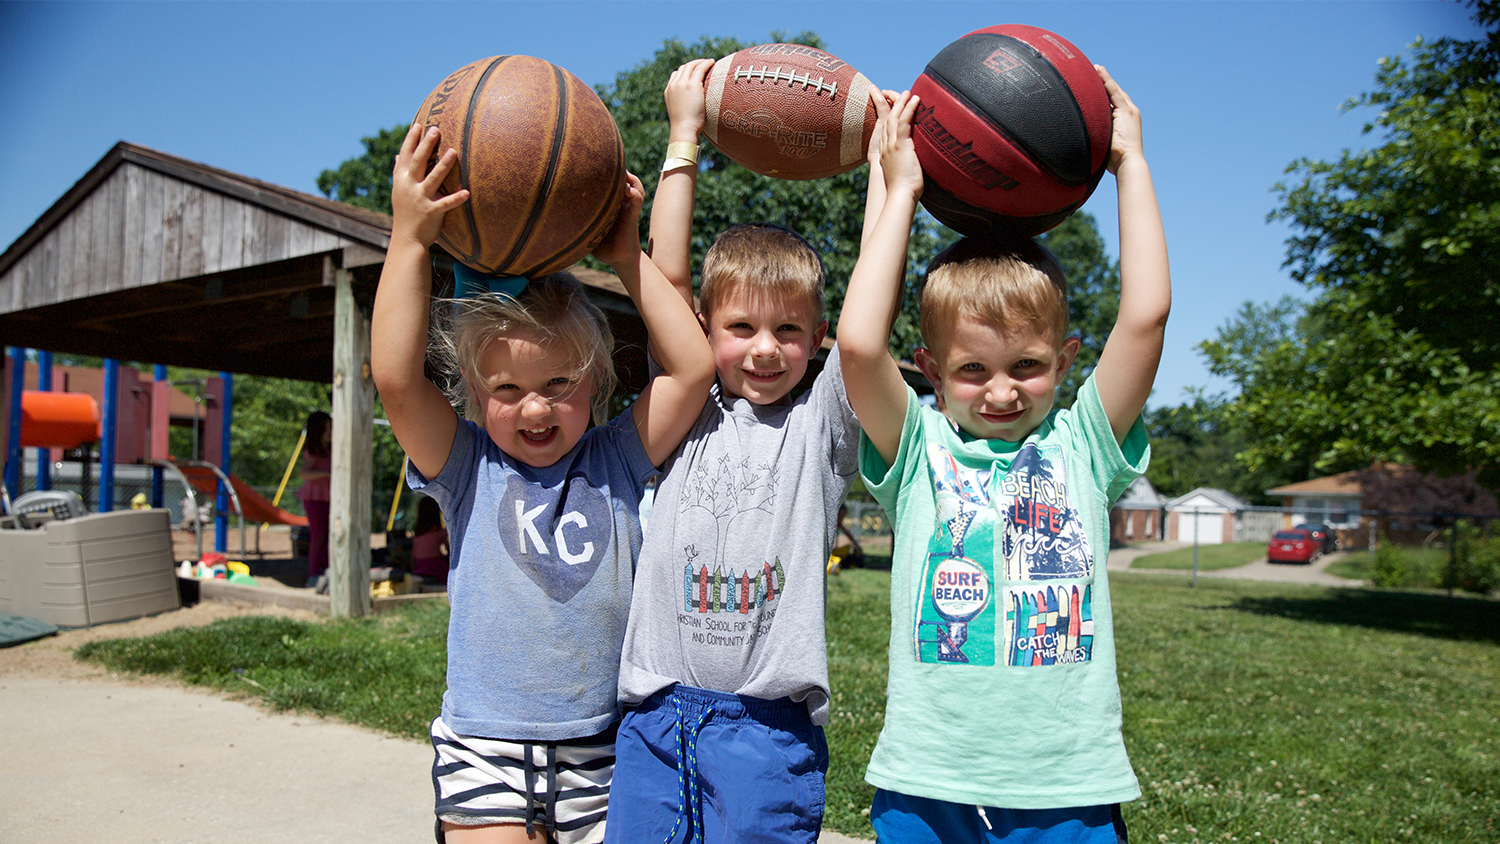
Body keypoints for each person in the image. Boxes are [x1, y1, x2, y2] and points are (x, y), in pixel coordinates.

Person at [838, 69, 1170, 843]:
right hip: (927, 782)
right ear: (929, 368)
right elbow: (858, 343)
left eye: (1027, 366)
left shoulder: (1084, 443)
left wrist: (1133, 166)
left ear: (1067, 360)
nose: (1000, 392)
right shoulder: (916, 447)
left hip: (1065, 783)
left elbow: (1146, 317)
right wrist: (900, 196)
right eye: (971, 370)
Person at [370, 122, 713, 844]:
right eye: (508, 387)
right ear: (469, 385)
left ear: (597, 380)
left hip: (602, 751)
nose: (534, 406)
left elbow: (692, 369)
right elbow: (397, 382)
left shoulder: (616, 457)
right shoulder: (467, 468)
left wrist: (627, 256)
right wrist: (409, 240)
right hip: (484, 748)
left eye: (559, 382)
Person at [604, 59, 867, 844]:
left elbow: (864, 327)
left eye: (789, 330)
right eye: (740, 328)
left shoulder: (821, 426)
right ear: (704, 331)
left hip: (765, 732)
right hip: (655, 717)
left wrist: (893, 177)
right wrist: (684, 135)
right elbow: (669, 273)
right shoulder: (686, 403)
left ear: (817, 339)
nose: (764, 349)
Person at [297, 410, 332, 587]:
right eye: (328, 428)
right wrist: (327, 473)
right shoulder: (314, 451)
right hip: (315, 498)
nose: (331, 431)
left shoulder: (330, 450)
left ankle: (326, 569)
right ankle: (314, 574)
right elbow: (304, 473)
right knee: (318, 536)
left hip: (328, 497)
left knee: (330, 535)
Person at [410, 493, 449, 587]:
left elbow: (414, 555)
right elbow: (449, 550)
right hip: (434, 565)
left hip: (419, 565)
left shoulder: (417, 532)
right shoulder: (439, 531)